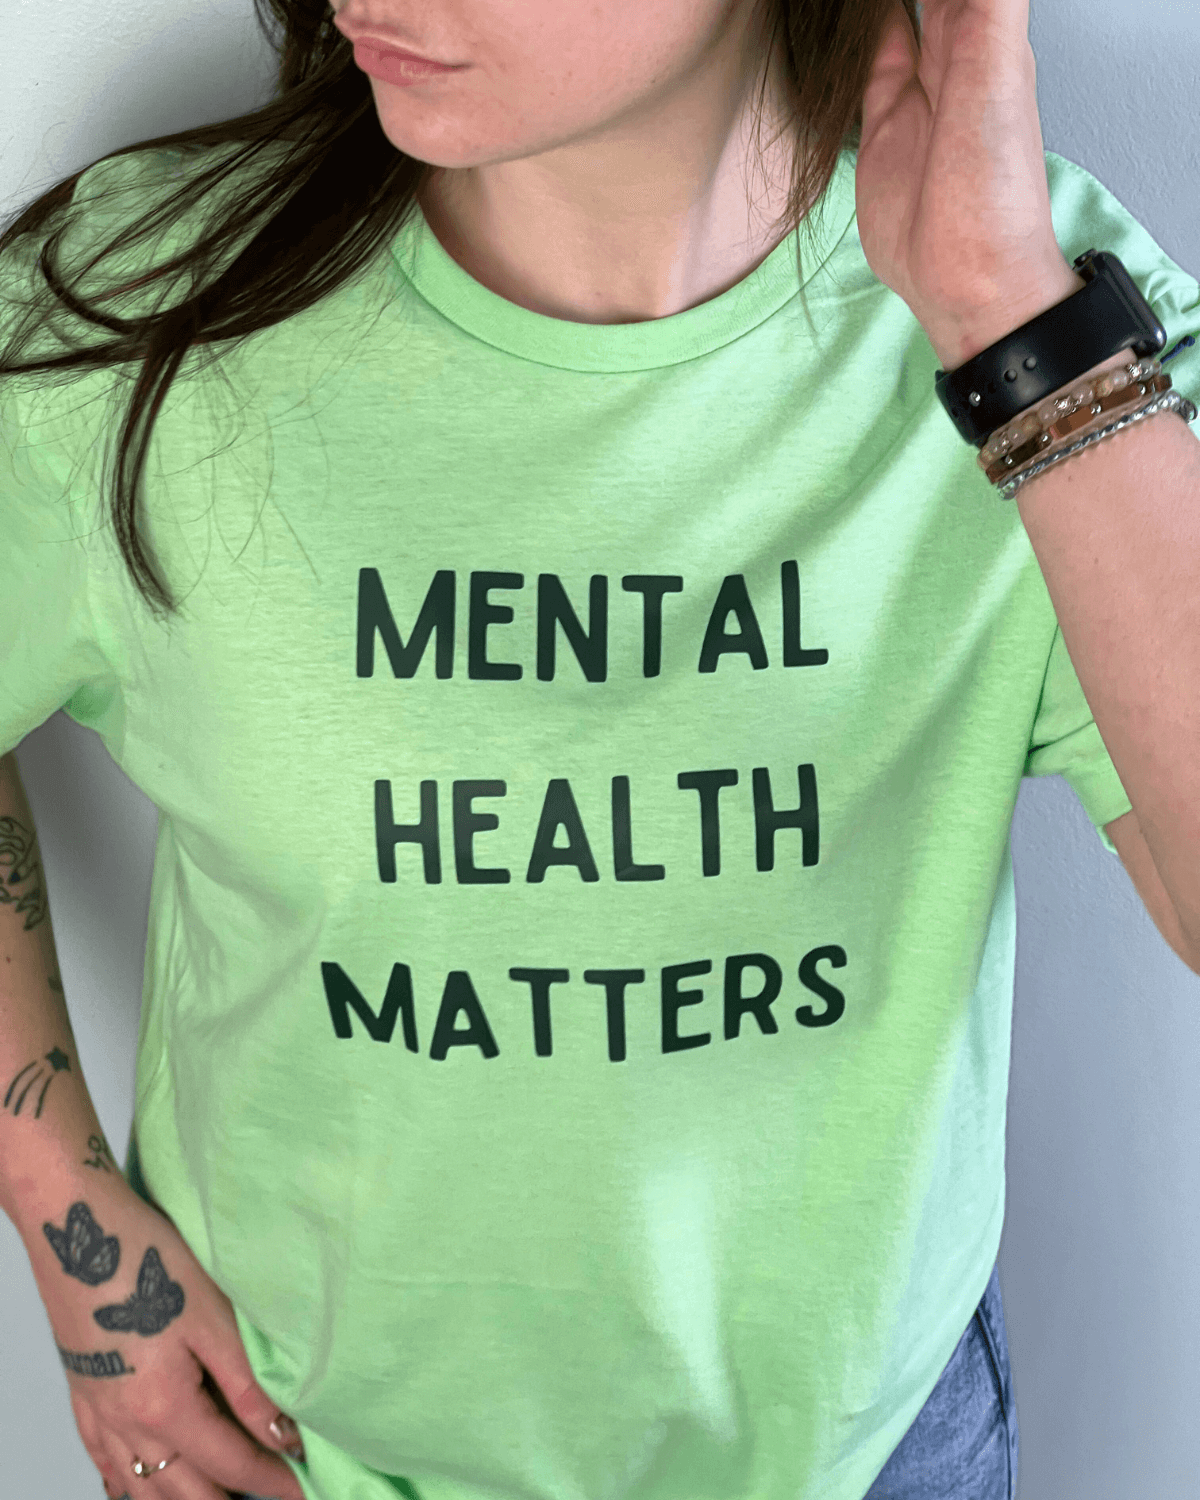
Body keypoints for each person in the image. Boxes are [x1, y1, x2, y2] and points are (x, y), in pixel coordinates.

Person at [1, 0, 1197, 1498]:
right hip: (301, 1447)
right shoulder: (138, 320)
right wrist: (64, 1215)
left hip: (865, 1452)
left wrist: (1009, 332)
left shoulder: (1050, 306)